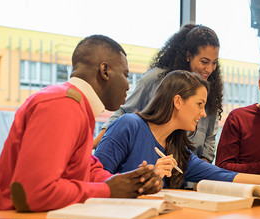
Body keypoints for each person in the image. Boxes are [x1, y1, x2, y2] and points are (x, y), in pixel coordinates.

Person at [0, 35, 162, 212]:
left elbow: (87, 169)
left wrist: (130, 183)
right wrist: (108, 190)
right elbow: (36, 192)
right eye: (125, 75)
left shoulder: (77, 105)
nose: (128, 86)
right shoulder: (63, 105)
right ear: (105, 71)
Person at [94, 70, 260, 189]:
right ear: (178, 101)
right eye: (199, 104)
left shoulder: (178, 150)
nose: (203, 114)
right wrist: (146, 176)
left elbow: (225, 176)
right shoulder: (129, 125)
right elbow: (93, 179)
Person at [93, 24, 223, 163]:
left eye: (214, 63)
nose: (209, 69)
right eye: (204, 62)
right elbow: (123, 114)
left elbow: (208, 143)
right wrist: (93, 145)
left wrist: (200, 178)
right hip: (149, 166)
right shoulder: (155, 79)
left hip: (187, 173)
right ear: (188, 55)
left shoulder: (211, 91)